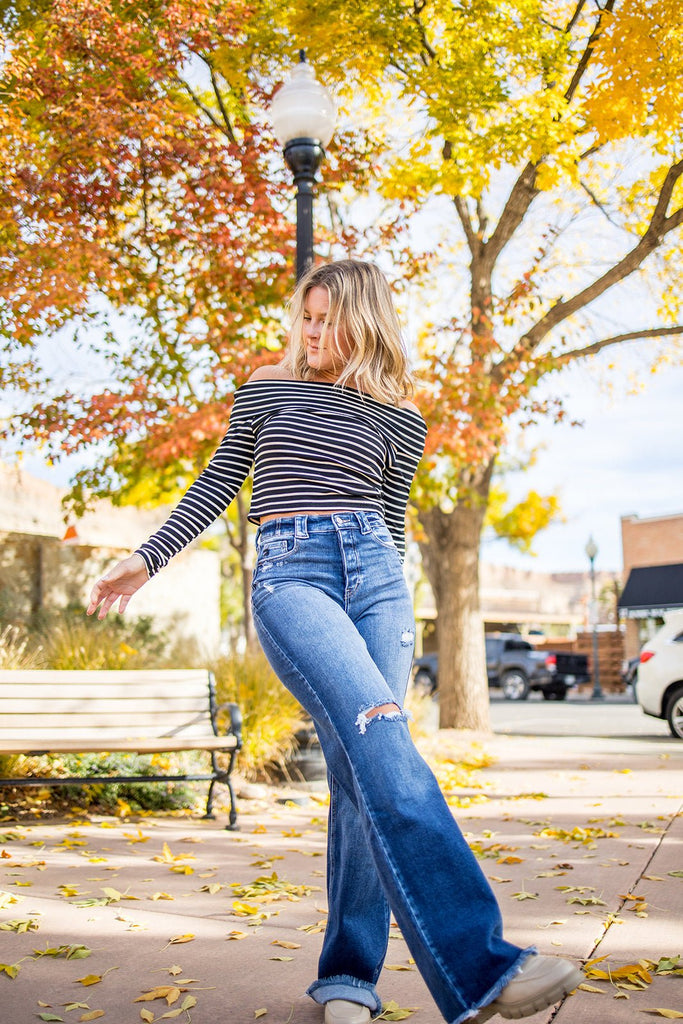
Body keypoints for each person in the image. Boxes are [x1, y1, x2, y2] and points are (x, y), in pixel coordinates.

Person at [88, 260, 582, 1024]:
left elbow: (390, 522)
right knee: (381, 739)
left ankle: (348, 980)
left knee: (365, 773)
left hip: (380, 582)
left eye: (328, 319)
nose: (312, 332)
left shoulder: (401, 416)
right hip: (293, 575)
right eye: (306, 317)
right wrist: (146, 557)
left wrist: (399, 604)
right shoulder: (265, 385)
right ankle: (485, 968)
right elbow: (220, 480)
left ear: (364, 321)